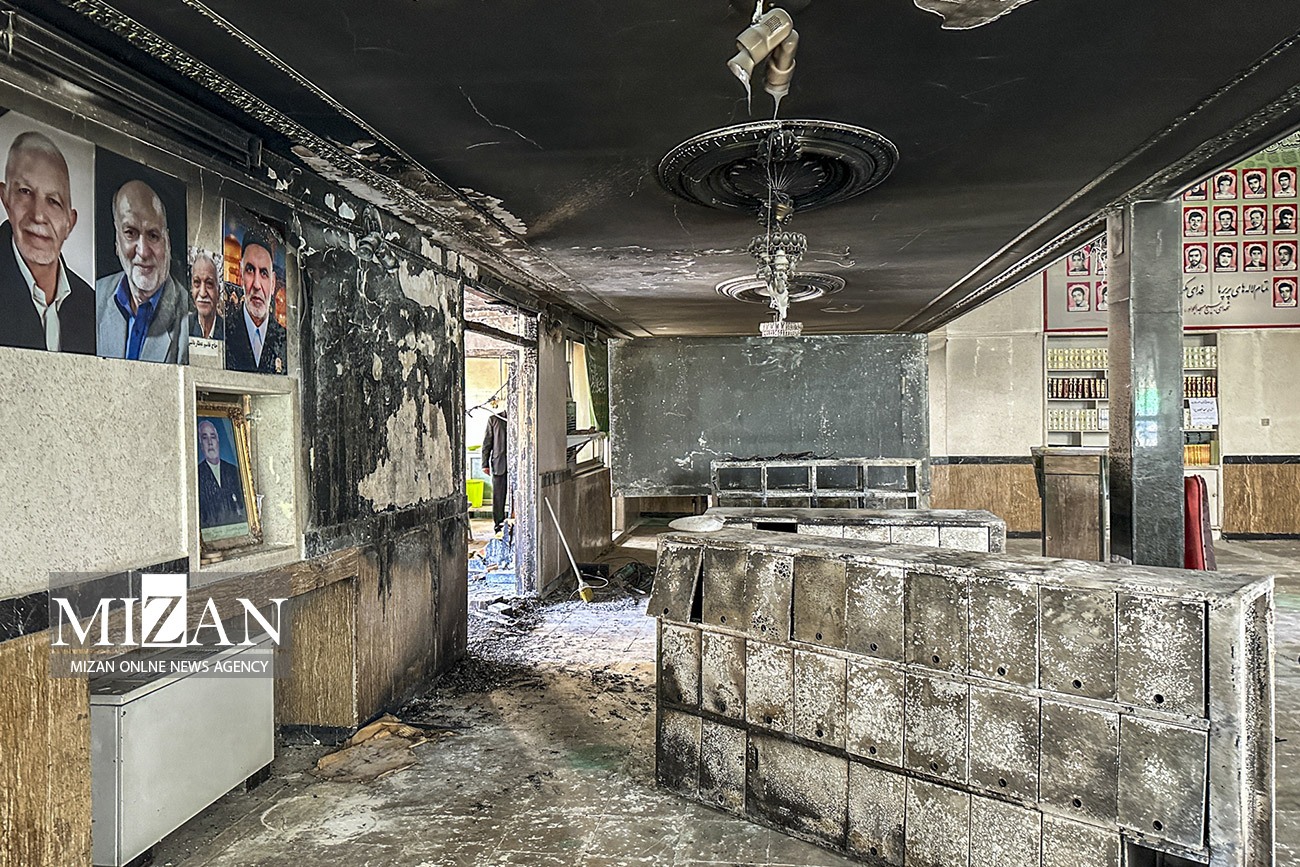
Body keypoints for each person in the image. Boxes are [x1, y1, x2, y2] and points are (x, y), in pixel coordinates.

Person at [0, 131, 95, 353]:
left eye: (53, 201)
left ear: (69, 222)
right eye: (25, 192)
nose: (38, 215)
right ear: (6, 199)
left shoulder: (89, 304)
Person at [95, 179, 189, 362]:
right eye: (130, 233)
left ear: (167, 243)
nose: (143, 252)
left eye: (153, 235)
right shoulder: (94, 297)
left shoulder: (190, 319)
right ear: (117, 241)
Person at [225, 230, 287, 373]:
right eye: (250, 270)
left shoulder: (284, 339)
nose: (257, 284)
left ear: (273, 283)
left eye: (264, 273)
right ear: (241, 276)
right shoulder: (226, 331)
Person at [197, 419, 247, 527]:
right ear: (201, 445)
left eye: (213, 437)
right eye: (205, 438)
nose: (210, 442)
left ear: (218, 441)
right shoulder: (197, 475)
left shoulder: (234, 471)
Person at [481, 401, 508, 532]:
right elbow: (487, 443)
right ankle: (499, 525)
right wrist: (484, 464)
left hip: (518, 467)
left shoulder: (522, 420)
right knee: (498, 497)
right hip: (499, 464)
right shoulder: (494, 419)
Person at [189, 251, 223, 340]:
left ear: (218, 292)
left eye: (209, 283)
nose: (202, 293)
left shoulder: (227, 330)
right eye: (197, 282)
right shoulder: (185, 326)